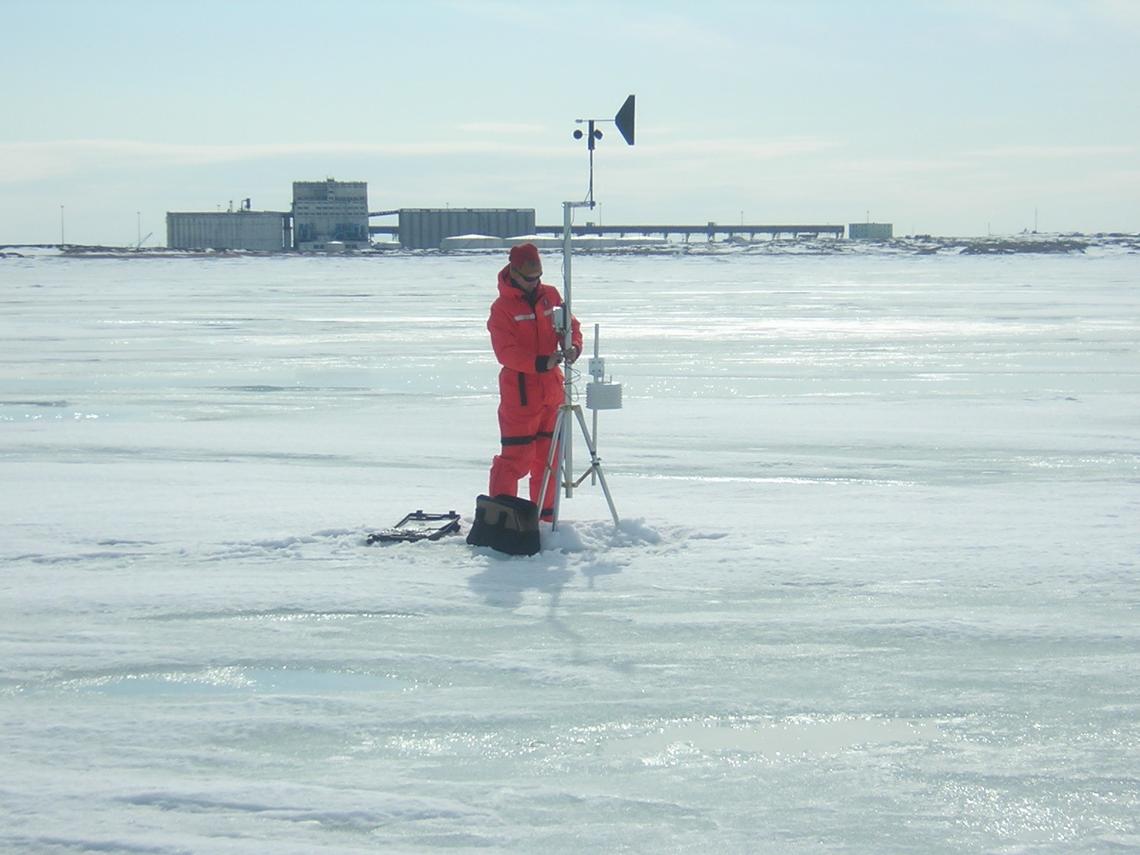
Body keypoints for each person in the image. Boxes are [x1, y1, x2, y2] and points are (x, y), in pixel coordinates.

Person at [486, 242, 582, 522]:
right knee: (516, 460)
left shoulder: (550, 296)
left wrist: (574, 346)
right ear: (513, 272)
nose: (534, 282)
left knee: (549, 461)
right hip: (521, 395)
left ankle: (544, 519)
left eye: (537, 276)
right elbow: (506, 352)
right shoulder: (501, 309)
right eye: (529, 278)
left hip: (551, 392)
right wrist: (540, 363)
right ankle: (501, 518)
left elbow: (572, 326)